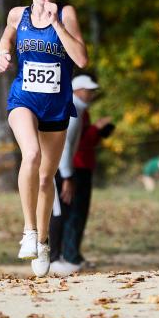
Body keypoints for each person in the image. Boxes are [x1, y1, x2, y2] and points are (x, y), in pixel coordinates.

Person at [0, 0, 87, 277]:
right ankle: (29, 232)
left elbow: (81, 59)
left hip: (56, 108)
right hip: (24, 100)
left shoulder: (67, 14)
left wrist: (58, 26)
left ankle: (44, 241)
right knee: (30, 154)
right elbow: (7, 36)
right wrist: (4, 54)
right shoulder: (17, 15)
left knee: (47, 178)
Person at [48, 75, 113, 276]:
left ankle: (58, 257)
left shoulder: (78, 109)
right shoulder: (73, 111)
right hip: (60, 169)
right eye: (88, 90)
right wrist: (67, 176)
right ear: (77, 91)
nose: (91, 94)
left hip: (63, 168)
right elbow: (65, 146)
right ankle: (54, 258)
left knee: (64, 212)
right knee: (60, 213)